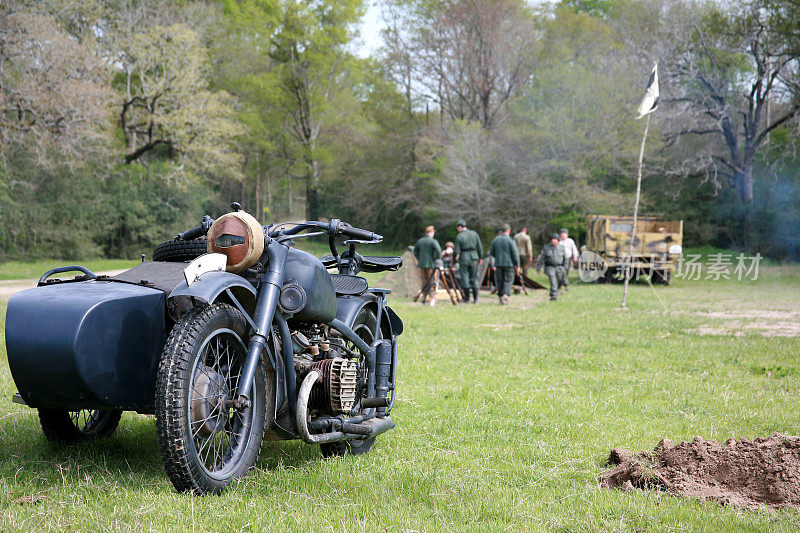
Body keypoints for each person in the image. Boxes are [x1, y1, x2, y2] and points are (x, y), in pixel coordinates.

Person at [489, 224, 520, 305]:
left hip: (498, 264)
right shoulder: (510, 240)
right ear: (508, 231)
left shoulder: (495, 240)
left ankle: (500, 295)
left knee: (500, 280)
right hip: (509, 264)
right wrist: (518, 264)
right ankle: (505, 296)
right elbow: (515, 253)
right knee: (508, 280)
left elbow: (491, 253)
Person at [453, 219, 483, 303]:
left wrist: (454, 260)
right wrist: (481, 257)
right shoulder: (474, 234)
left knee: (465, 277)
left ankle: (467, 298)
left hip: (464, 257)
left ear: (459, 227)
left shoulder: (459, 236)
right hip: (474, 256)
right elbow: (479, 247)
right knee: (474, 277)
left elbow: (456, 251)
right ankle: (476, 298)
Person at [538, 234, 569, 301]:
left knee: (559, 280)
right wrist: (539, 268)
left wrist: (565, 267)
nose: (553, 241)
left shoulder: (562, 248)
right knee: (553, 280)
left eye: (555, 239)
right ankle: (553, 295)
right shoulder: (546, 248)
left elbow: (565, 258)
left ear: (558, 240)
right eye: (552, 239)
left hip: (559, 267)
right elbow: (541, 258)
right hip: (550, 267)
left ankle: (557, 290)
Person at [414, 225, 442, 293]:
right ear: (432, 232)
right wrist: (436, 258)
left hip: (422, 263)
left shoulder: (420, 241)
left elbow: (415, 251)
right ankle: (431, 296)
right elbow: (438, 250)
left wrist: (419, 258)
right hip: (431, 264)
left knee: (424, 281)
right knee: (432, 280)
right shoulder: (433, 241)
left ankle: (424, 295)